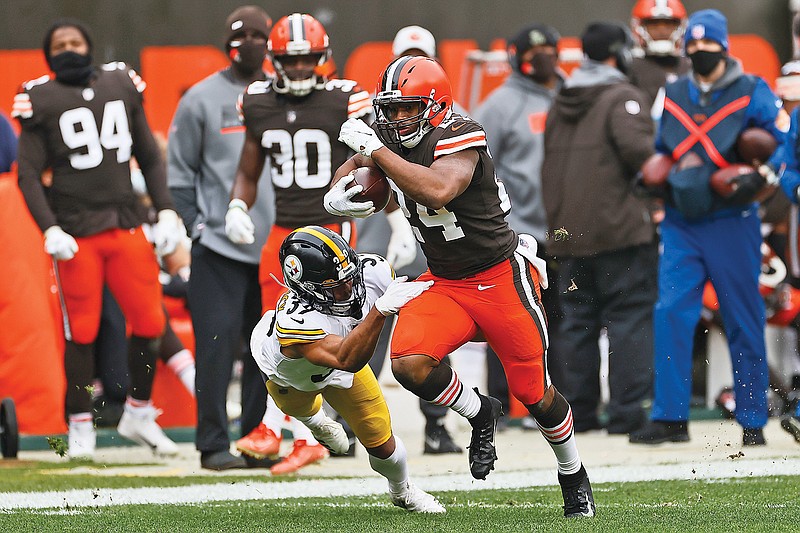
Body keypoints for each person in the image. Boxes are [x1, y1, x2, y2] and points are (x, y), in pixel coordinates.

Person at [328, 55, 595, 518]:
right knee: (409, 365)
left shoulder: (458, 132)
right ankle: (479, 411)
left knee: (534, 394)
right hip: (446, 281)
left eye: (407, 109)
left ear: (435, 105)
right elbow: (360, 165)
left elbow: (437, 190)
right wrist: (336, 194)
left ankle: (573, 473)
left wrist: (376, 153)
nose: (394, 120)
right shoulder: (390, 138)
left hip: (499, 277)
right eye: (389, 110)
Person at [12, 19, 185, 459]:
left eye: (75, 41)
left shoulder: (120, 82)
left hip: (127, 223)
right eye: (59, 44)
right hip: (77, 232)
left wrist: (165, 209)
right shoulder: (40, 97)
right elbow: (28, 174)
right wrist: (49, 226)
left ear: (89, 45)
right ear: (49, 54)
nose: (69, 48)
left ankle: (139, 412)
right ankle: (80, 422)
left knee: (149, 324)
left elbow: (148, 153)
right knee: (82, 333)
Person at [629, 9, 787, 446]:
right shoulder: (674, 91)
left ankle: (753, 419)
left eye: (707, 43)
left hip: (731, 219)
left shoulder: (751, 89)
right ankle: (670, 417)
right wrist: (652, 180)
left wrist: (764, 176)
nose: (699, 50)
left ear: (723, 46)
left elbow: (778, 142)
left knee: (743, 316)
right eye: (693, 44)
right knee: (670, 314)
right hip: (682, 219)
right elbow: (662, 147)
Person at [227, 13, 373, 473]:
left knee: (327, 334)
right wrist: (237, 206)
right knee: (280, 328)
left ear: (322, 57)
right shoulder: (257, 101)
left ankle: (301, 426)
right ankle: (285, 427)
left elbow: (373, 166)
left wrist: (400, 225)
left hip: (330, 231)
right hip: (284, 232)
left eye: (307, 59)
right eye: (290, 61)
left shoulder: (345, 99)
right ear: (273, 61)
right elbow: (249, 171)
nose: (299, 68)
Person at [250, 226, 444, 512]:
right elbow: (347, 359)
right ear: (308, 289)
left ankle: (403, 491)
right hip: (291, 379)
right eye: (336, 286)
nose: (350, 288)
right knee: (303, 409)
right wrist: (380, 311)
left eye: (350, 277)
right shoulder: (295, 322)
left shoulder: (372, 270)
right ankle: (317, 423)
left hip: (341, 360)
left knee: (380, 438)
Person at [167, 5, 275, 471]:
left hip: (276, 246)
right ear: (227, 41)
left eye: (259, 35)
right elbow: (179, 174)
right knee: (216, 345)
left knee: (267, 348)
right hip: (219, 247)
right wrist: (198, 225)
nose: (250, 42)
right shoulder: (200, 99)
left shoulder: (281, 96)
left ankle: (255, 439)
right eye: (242, 34)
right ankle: (212, 443)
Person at [541, 22, 657, 435]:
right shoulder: (622, 97)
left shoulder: (560, 101)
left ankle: (581, 416)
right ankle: (627, 414)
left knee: (577, 322)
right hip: (620, 232)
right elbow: (646, 160)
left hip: (569, 235)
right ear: (617, 53)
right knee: (628, 319)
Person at [355, 24, 463, 455]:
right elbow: (362, 170)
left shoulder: (454, 119)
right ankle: (356, 424)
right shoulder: (378, 116)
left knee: (431, 332)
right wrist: (392, 219)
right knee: (371, 321)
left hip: (436, 237)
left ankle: (438, 425)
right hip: (386, 236)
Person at [473, 22, 564, 431]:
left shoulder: (569, 96)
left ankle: (551, 403)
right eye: (533, 53)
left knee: (558, 322)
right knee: (509, 321)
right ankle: (504, 406)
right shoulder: (499, 105)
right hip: (518, 231)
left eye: (549, 51)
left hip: (564, 231)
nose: (542, 60)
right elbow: (473, 169)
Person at [629, 0, 691, 112]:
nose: (661, 30)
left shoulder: (690, 67)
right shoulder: (629, 68)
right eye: (654, 24)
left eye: (668, 24)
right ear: (639, 27)